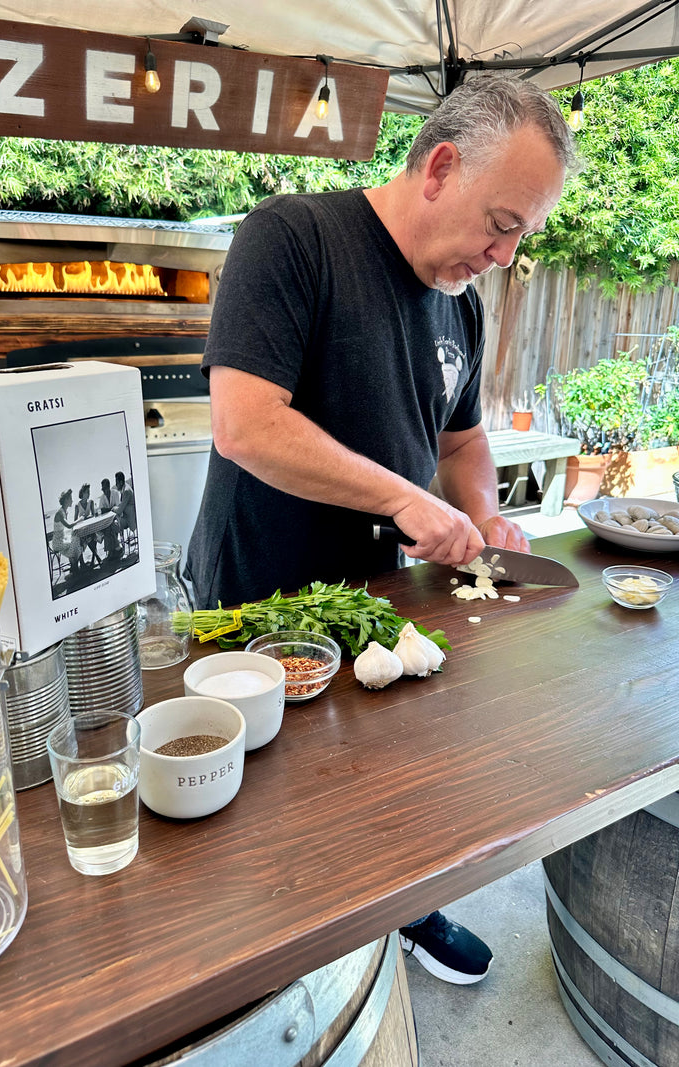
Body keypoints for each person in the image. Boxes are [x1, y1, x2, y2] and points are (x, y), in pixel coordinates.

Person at [186, 73, 575, 985]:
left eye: (521, 234)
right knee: (267, 819)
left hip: (387, 605)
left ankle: (404, 907)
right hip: (261, 597)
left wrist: (480, 508)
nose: (505, 253)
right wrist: (402, 499)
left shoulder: (461, 304)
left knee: (394, 788)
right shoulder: (294, 236)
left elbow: (464, 436)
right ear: (440, 165)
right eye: (503, 222)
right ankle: (276, 961)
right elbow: (244, 421)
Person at [51, 488, 81, 575]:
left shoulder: (64, 511)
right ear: (66, 500)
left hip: (62, 539)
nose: (72, 500)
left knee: (77, 538)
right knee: (76, 540)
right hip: (58, 542)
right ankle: (74, 565)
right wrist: (80, 519)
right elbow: (69, 525)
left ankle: (74, 565)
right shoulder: (60, 513)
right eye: (71, 498)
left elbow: (66, 528)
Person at [74, 482, 101, 568]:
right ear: (82, 493)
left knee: (92, 536)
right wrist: (82, 519)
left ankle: (94, 558)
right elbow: (75, 521)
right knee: (88, 538)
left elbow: (94, 516)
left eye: (89, 492)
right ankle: (96, 557)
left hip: (91, 528)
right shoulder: (77, 506)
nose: (89, 494)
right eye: (87, 492)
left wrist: (89, 518)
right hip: (83, 530)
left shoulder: (91, 502)